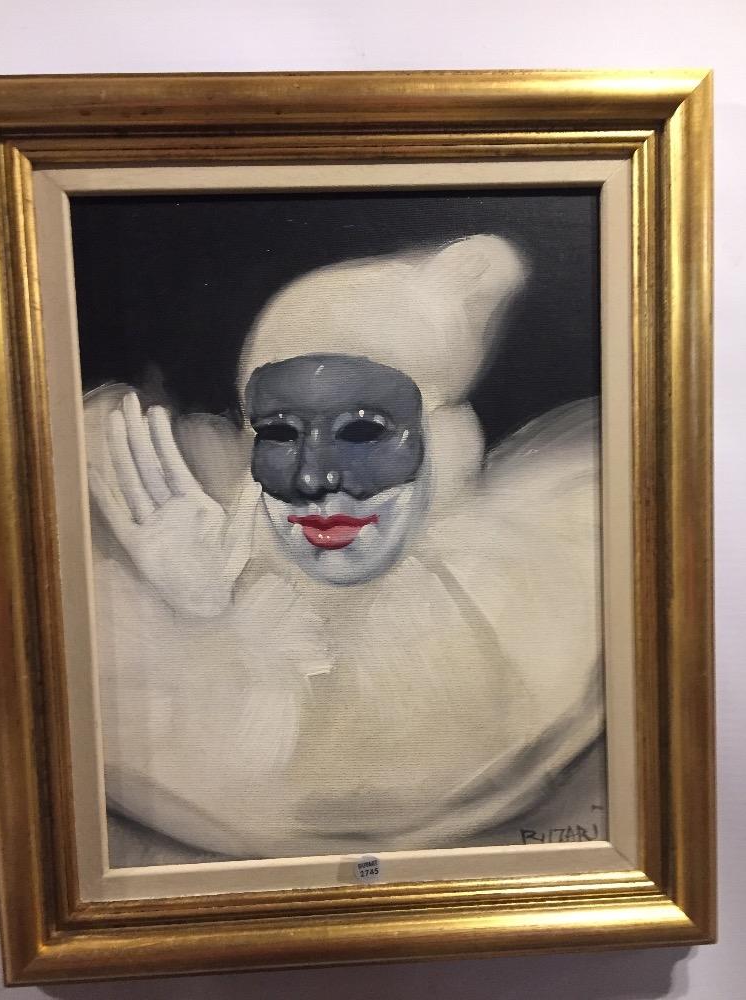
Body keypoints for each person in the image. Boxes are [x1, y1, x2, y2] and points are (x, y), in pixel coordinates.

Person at [84, 234, 605, 867]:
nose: (313, 479)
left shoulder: (509, 613)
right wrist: (204, 620)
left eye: (362, 432)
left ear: (441, 445)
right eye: (279, 433)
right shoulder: (195, 579)